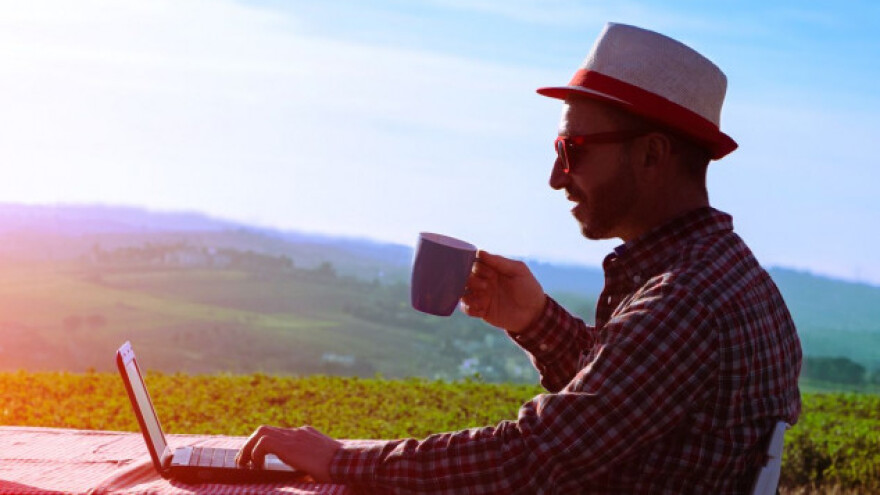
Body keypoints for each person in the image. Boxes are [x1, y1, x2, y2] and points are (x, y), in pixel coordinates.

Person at [236, 22, 802, 493]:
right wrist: (535, 322)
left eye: (571, 150)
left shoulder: (685, 301)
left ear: (652, 154)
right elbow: (622, 402)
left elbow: (534, 458)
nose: (557, 178)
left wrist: (341, 462)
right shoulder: (724, 276)